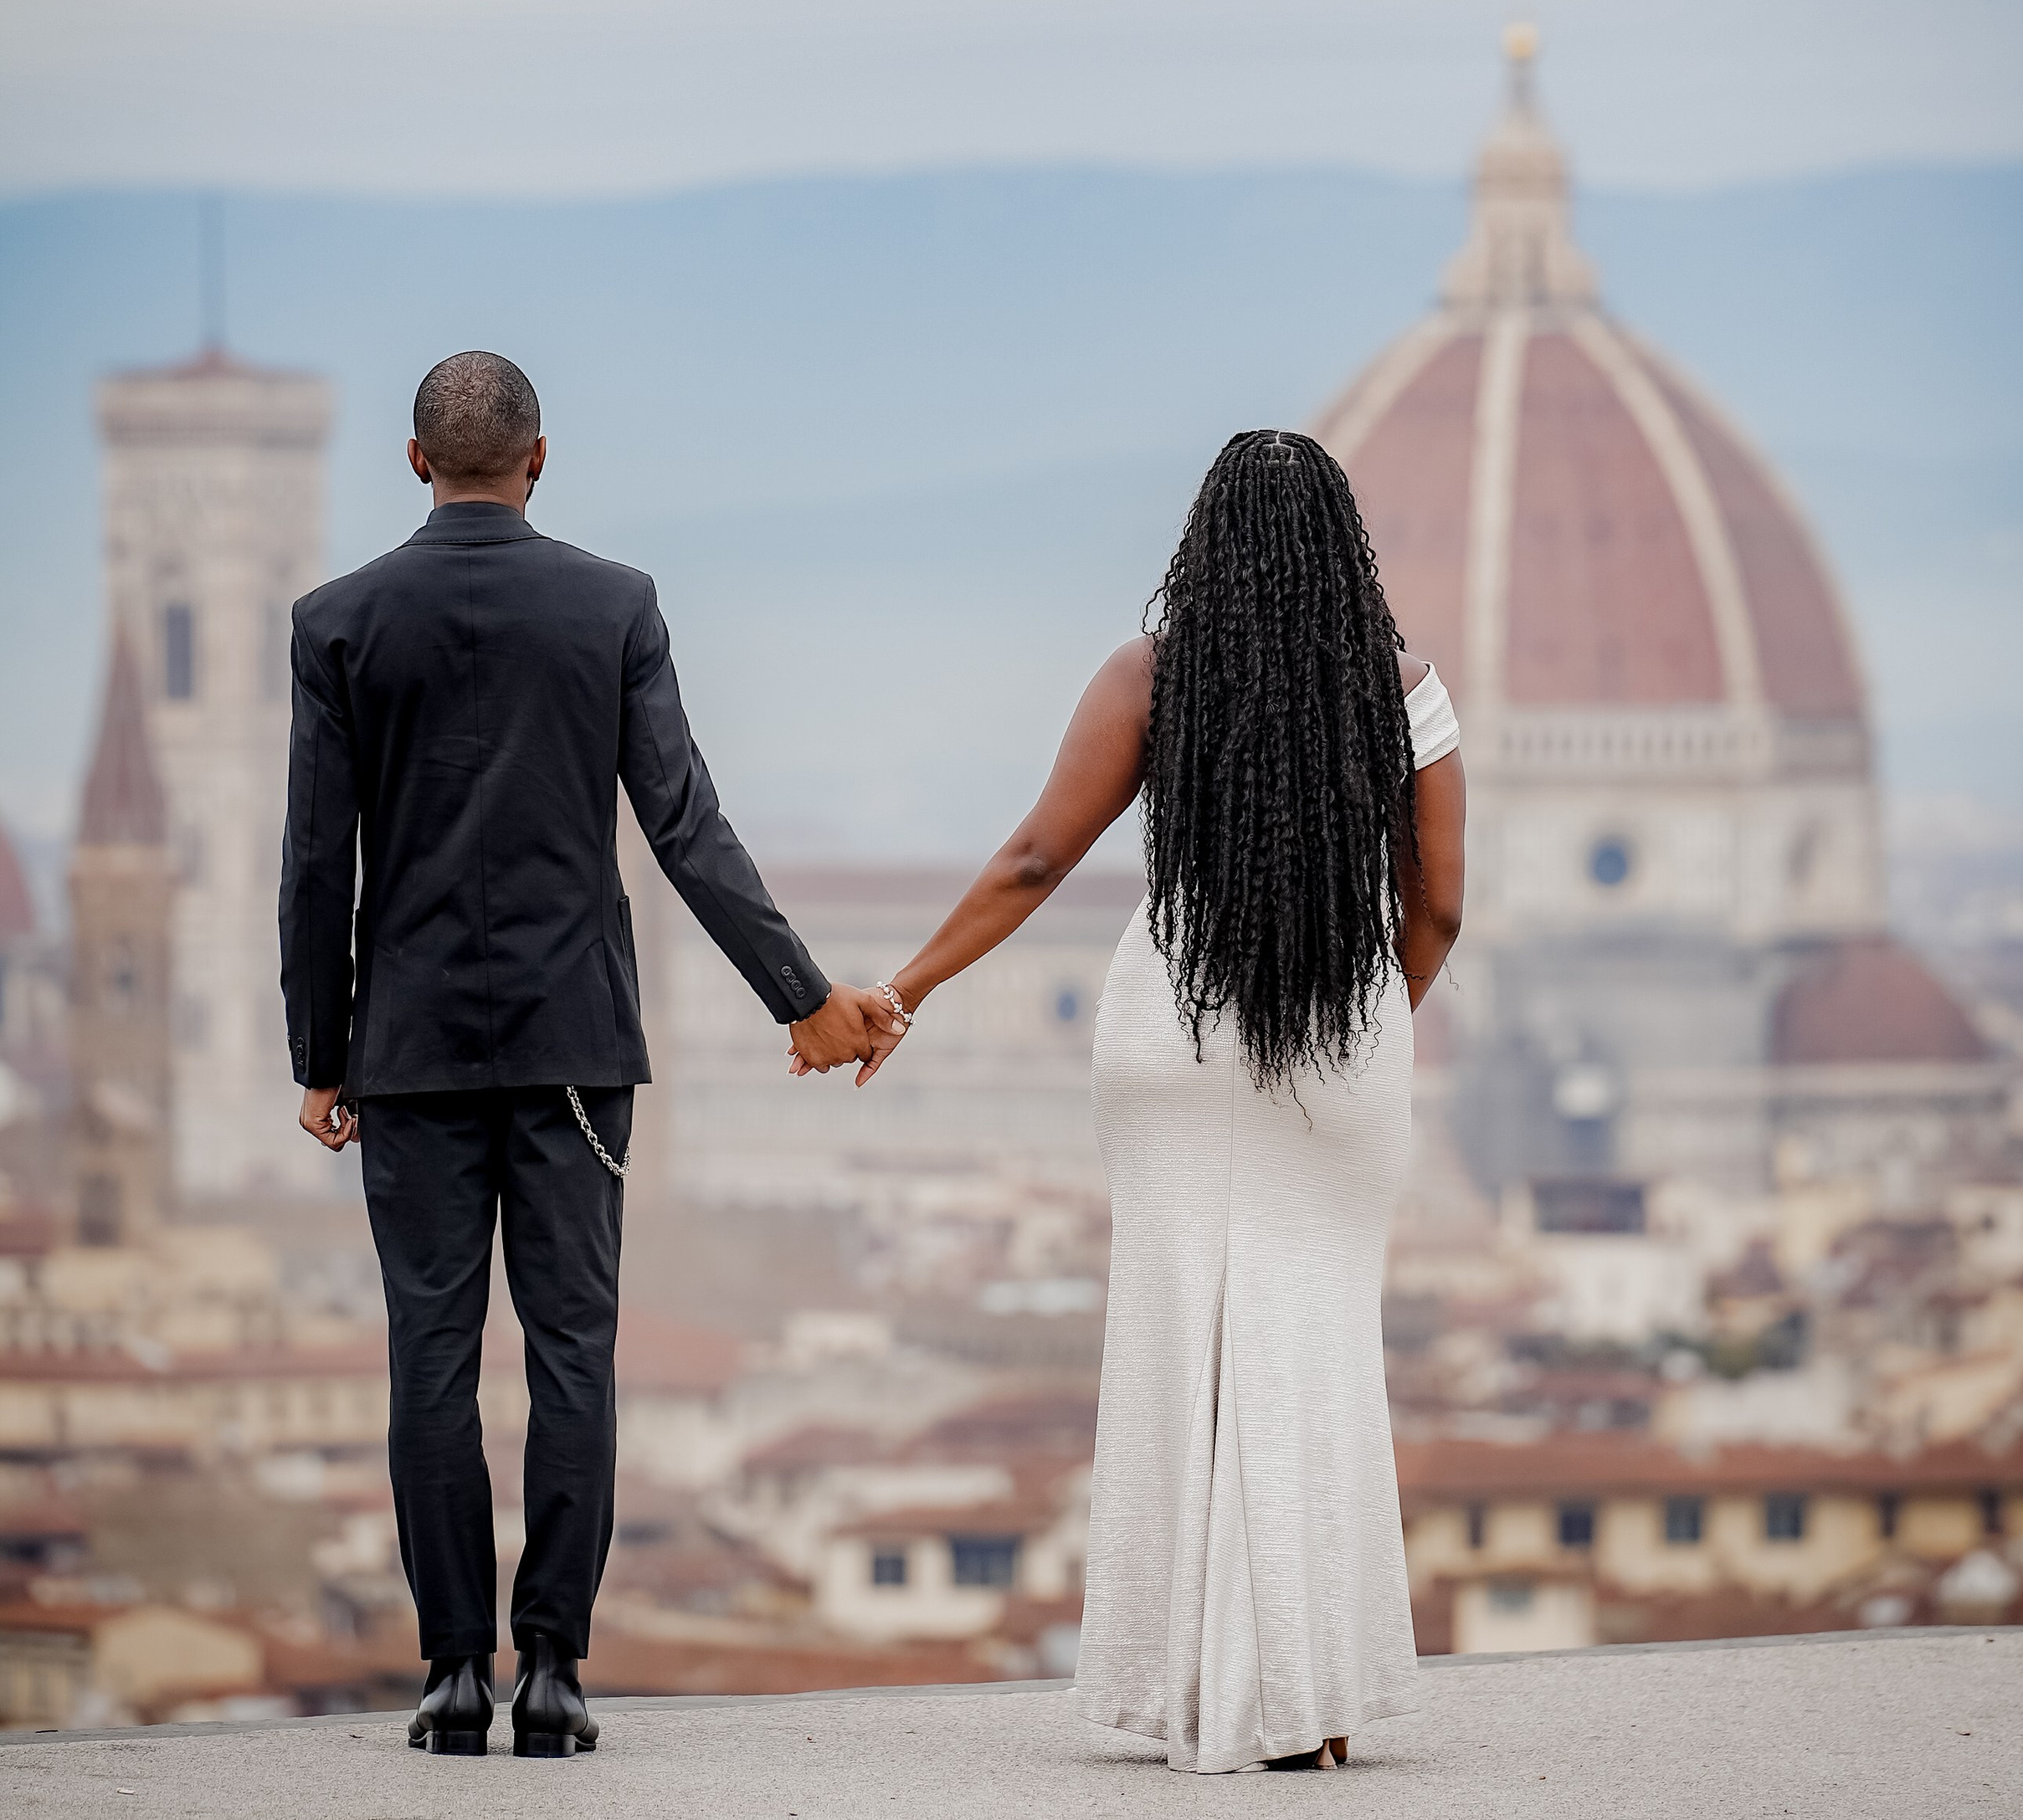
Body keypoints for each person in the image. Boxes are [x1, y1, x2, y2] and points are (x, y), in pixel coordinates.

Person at [279, 351, 901, 1760]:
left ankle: (448, 1679)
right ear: (540, 460)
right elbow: (686, 826)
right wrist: (801, 998)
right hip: (574, 1050)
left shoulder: (337, 624)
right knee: (574, 1355)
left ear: (417, 460)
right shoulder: (613, 608)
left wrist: (322, 1049)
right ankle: (552, 1675)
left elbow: (318, 861)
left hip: (413, 1054)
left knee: (429, 1358)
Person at [846, 429, 1465, 1772]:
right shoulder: (1404, 685)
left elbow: (1029, 861)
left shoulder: (1149, 675)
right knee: (1314, 1359)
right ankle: (1310, 1701)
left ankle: (1190, 1693)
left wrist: (905, 989)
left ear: (1204, 547)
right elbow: (1443, 905)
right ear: (1341, 547)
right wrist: (1365, 1014)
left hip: (1172, 1034)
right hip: (1335, 1028)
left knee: (1179, 1351)